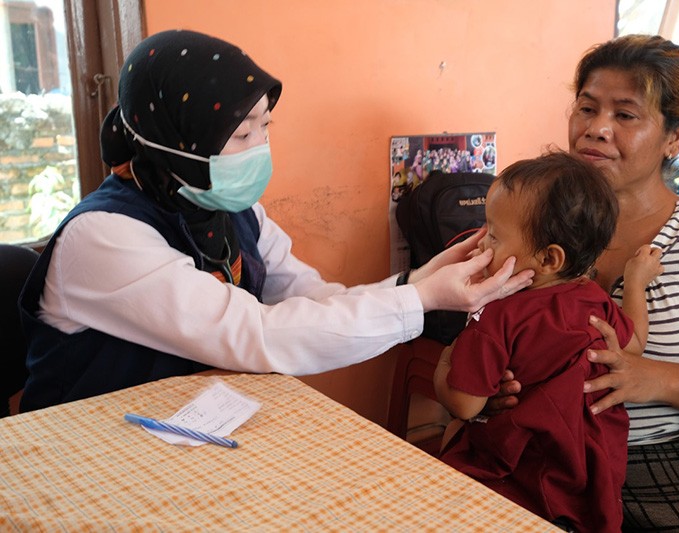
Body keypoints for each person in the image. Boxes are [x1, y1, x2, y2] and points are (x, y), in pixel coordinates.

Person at [17, 29, 534, 413]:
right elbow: (257, 333)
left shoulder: (229, 209)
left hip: (186, 434)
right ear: (177, 139)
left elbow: (309, 298)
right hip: (89, 455)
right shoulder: (103, 237)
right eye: (242, 134)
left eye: (266, 126)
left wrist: (418, 281)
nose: (260, 148)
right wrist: (421, 300)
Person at [490, 34, 679, 531]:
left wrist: (652, 378)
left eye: (626, 115)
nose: (596, 129)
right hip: (542, 449)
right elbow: (481, 329)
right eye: (587, 108)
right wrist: (495, 389)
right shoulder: (531, 223)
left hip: (676, 455)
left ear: (675, 137)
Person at [433, 153, 662, 533]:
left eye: (493, 235)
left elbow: (464, 404)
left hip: (518, 474)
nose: (481, 243)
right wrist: (635, 281)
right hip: (592, 471)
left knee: (453, 440)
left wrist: (445, 363)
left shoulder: (497, 315)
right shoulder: (593, 298)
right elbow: (634, 342)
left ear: (548, 258)